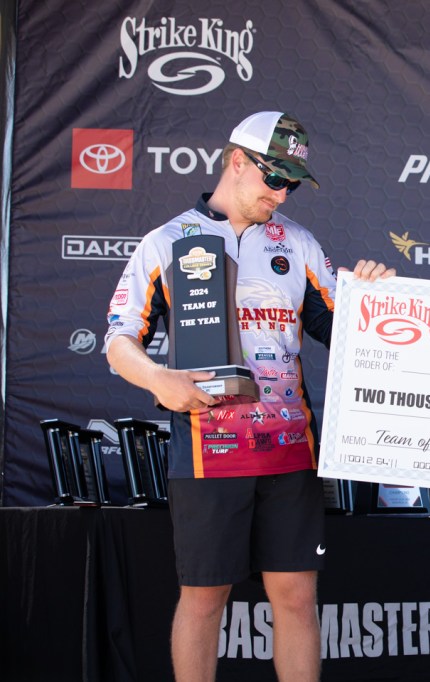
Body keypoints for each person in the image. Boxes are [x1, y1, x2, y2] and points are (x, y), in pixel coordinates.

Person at [105, 111, 392, 682]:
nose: (281, 195)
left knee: (296, 598)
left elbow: (345, 329)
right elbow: (118, 340)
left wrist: (374, 298)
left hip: (289, 451)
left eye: (292, 184)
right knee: (204, 599)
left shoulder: (299, 244)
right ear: (237, 161)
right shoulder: (166, 241)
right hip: (207, 452)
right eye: (274, 178)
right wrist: (159, 379)